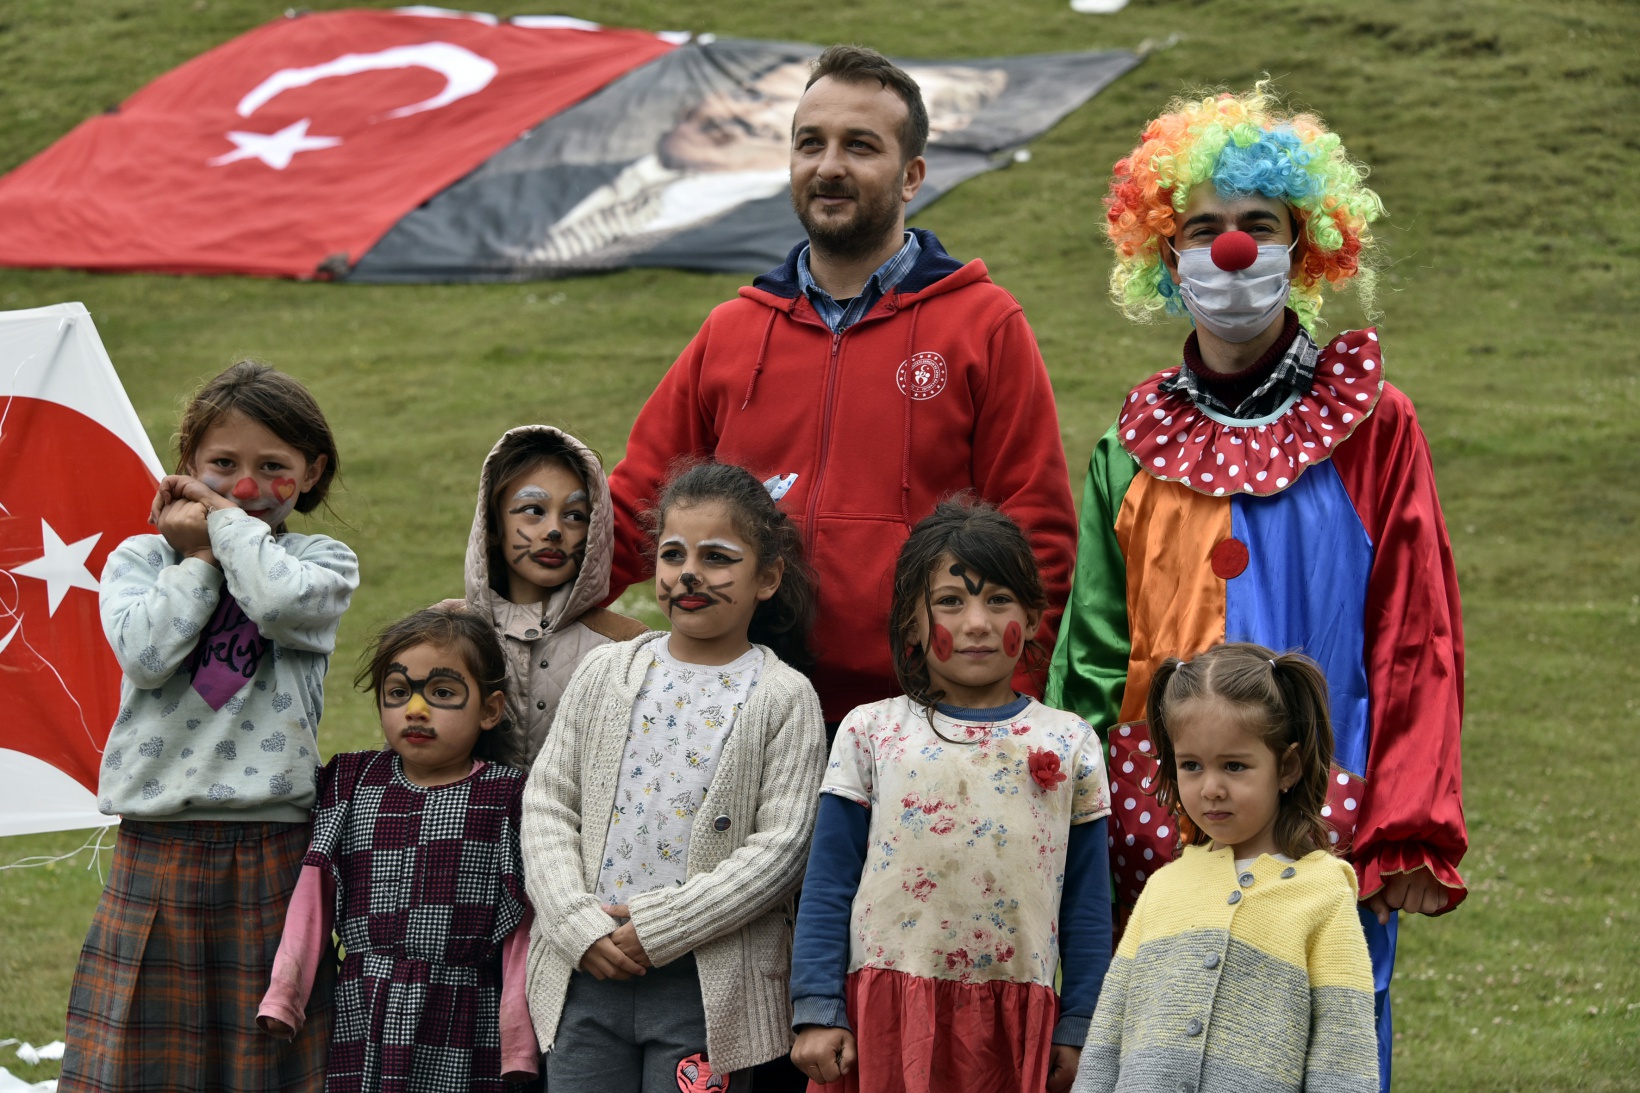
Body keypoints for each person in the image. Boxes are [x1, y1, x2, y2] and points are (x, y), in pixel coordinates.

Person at [1045, 84, 1466, 1088]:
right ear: (1163, 253)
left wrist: (1401, 812)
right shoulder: (1132, 436)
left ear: (1303, 244)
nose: (1229, 251)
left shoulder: (1374, 426)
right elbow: (1093, 647)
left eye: (1257, 227)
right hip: (1161, 818)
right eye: (1201, 229)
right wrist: (1062, 806)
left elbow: (1416, 632)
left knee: (1315, 1050)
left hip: (1326, 809)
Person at [605, 43, 1077, 725]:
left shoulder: (984, 324)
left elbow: (1036, 531)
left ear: (911, 175)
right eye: (810, 144)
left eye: (860, 146)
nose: (829, 167)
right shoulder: (731, 330)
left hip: (922, 718)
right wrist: (520, 606)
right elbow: (633, 505)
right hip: (745, 714)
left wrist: (1001, 705)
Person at [59, 360, 358, 1093]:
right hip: (157, 845)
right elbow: (148, 652)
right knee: (142, 1068)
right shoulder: (142, 558)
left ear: (313, 473)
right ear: (188, 463)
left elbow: (277, 604)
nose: (248, 487)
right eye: (223, 465)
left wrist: (220, 524)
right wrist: (193, 556)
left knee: (269, 1068)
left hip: (272, 848)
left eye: (273, 466)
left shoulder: (319, 562)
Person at [522, 462, 827, 1091]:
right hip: (588, 976)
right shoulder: (607, 672)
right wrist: (575, 923)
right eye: (673, 554)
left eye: (717, 558)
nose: (688, 573)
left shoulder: (783, 697)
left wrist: (663, 928)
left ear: (766, 577)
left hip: (705, 992)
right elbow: (548, 803)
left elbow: (783, 847)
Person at [790, 499, 1112, 1093]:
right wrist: (816, 1005)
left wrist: (1081, 1019)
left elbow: (1088, 903)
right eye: (950, 601)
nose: (976, 623)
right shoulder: (872, 733)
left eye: (998, 600)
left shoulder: (1070, 742)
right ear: (911, 621)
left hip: (1012, 1026)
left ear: (1035, 615)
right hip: (885, 1015)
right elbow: (829, 880)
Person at [1072, 643, 1378, 1093]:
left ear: (1287, 767)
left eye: (1234, 766)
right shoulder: (1164, 887)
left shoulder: (1324, 893)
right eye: (1191, 766)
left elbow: (1344, 1050)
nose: (1211, 788)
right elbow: (1107, 1038)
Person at [257, 605, 539, 1091]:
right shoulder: (351, 782)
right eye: (398, 692)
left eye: (443, 693)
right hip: (362, 1006)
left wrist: (517, 1043)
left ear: (490, 710)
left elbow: (522, 928)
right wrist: (286, 994)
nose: (415, 709)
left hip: (463, 1011)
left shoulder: (508, 796)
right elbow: (313, 896)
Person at [443, 425, 648, 763]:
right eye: (534, 510)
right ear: (493, 526)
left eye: (574, 516)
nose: (554, 530)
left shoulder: (627, 646)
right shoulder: (443, 632)